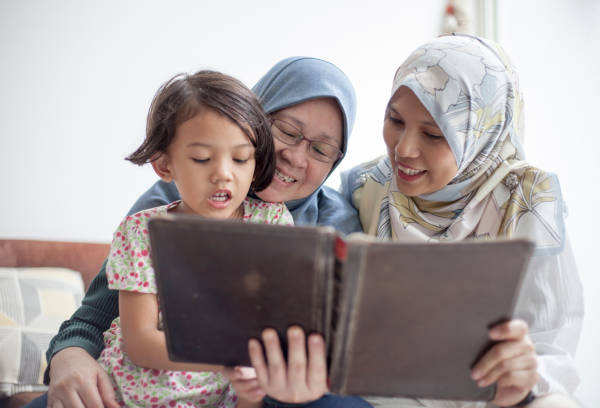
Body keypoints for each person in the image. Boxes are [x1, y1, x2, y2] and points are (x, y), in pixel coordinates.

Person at [248, 34, 583, 407]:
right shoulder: (366, 186)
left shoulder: (527, 200)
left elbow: (555, 352)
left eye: (434, 134)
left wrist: (525, 375)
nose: (403, 150)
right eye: (395, 120)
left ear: (477, 135)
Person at [33, 57, 368, 408]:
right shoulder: (162, 209)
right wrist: (68, 355)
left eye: (320, 149)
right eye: (286, 130)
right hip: (142, 384)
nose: (295, 157)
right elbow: (100, 316)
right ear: (254, 118)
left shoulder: (331, 225)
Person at [102, 70, 295, 407]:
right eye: (202, 159)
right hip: (127, 395)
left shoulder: (271, 225)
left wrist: (250, 384)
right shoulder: (141, 233)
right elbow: (141, 342)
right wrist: (230, 358)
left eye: (240, 158)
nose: (223, 173)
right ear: (164, 165)